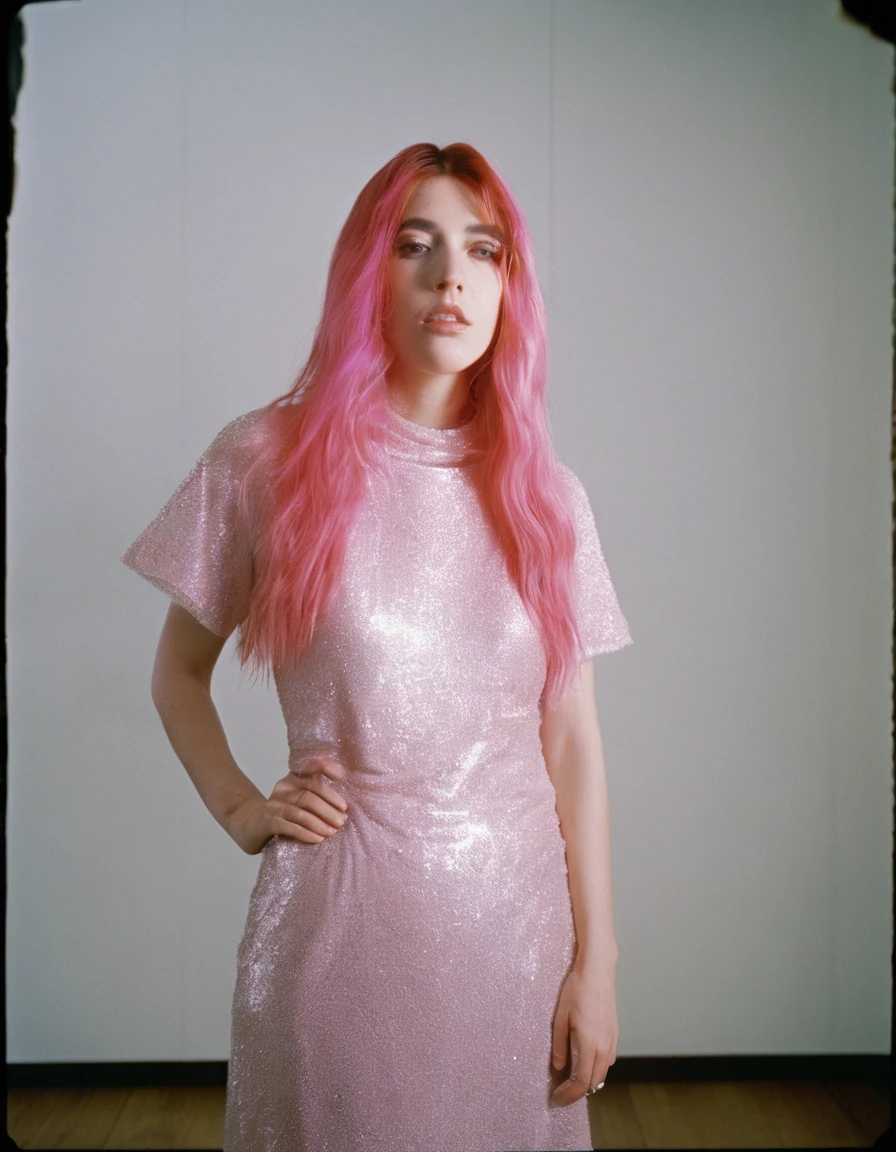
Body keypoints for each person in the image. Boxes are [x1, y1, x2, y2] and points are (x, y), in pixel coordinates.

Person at [122, 141, 632, 1152]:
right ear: (367, 272)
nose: (451, 278)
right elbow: (177, 674)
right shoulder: (263, 459)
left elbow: (571, 740)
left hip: (516, 946)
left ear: (509, 286)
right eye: (415, 245)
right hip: (334, 942)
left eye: (483, 250)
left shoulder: (550, 497)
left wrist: (598, 964)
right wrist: (240, 807)